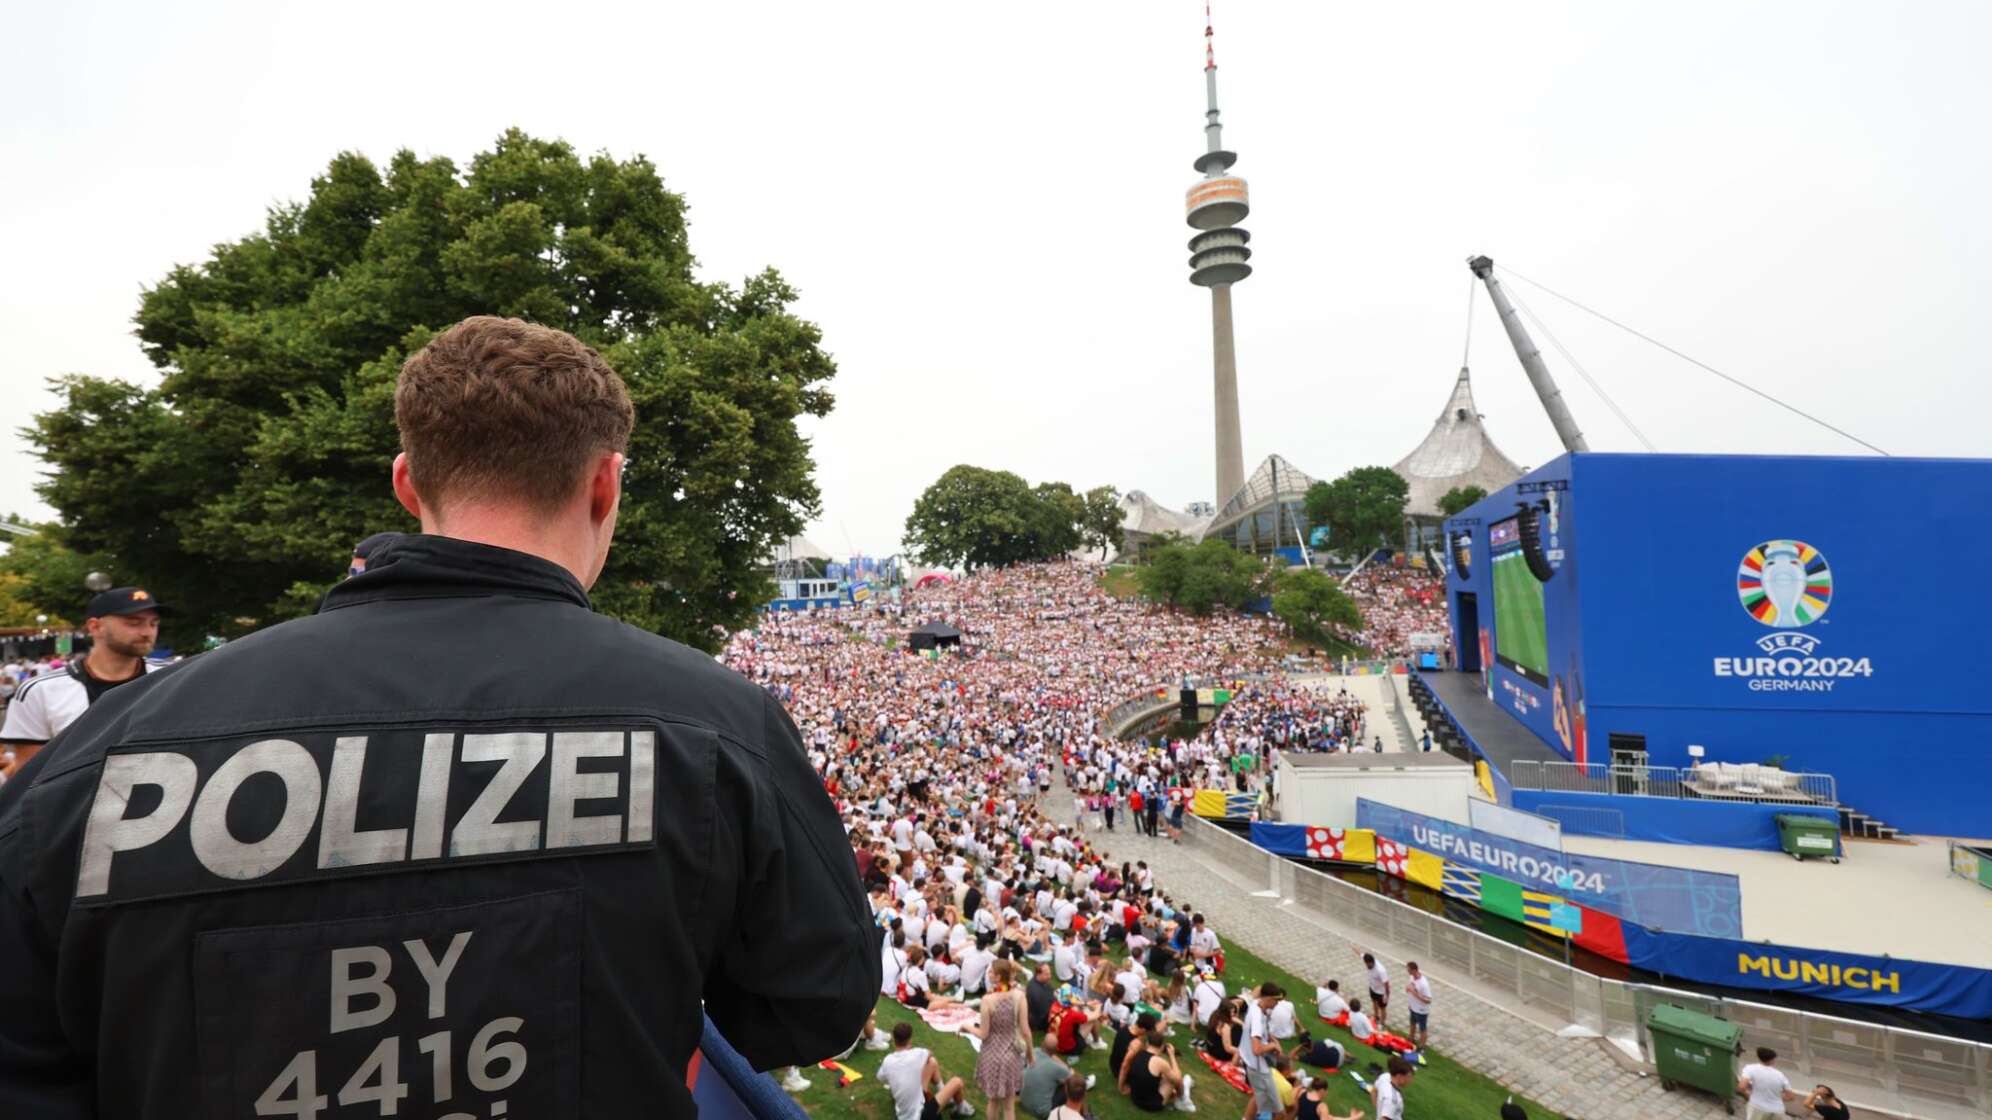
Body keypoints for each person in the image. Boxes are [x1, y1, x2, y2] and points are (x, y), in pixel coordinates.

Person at [0, 316, 880, 1117]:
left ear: (407, 485)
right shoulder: (717, 724)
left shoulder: (102, 757)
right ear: (606, 486)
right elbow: (807, 1006)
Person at [0, 586, 163, 774]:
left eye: (154, 623)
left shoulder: (173, 679)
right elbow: (28, 775)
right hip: (73, 801)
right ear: (95, 626)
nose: (147, 632)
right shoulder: (40, 691)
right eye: (134, 623)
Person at [880, 1021, 976, 1120]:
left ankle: (946, 1096)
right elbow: (929, 1053)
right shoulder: (917, 1054)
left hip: (903, 1114)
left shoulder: (888, 1060)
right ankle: (962, 1110)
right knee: (957, 1082)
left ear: (894, 1039)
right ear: (910, 1040)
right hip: (922, 1115)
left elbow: (882, 1077)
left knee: (932, 1063)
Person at [975, 958, 1033, 1120]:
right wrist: (1030, 1055)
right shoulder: (1020, 996)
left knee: (993, 1101)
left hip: (992, 1055)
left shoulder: (987, 1000)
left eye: (991, 972)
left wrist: (966, 1027)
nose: (988, 973)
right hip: (1011, 1056)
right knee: (1009, 1107)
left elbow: (983, 1034)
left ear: (999, 977)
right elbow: (1026, 1030)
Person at [1119, 1012, 1196, 1113]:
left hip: (1135, 1098)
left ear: (1148, 1043)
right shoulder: (1159, 1062)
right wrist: (1172, 1055)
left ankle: (1184, 1091)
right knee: (1174, 1079)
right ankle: (1182, 1100)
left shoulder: (1139, 1052)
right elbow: (1177, 1078)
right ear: (1162, 1046)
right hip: (1151, 1104)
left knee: (1164, 1076)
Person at [1241, 982, 1285, 1120]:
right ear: (1268, 998)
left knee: (1258, 1098)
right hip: (1259, 1068)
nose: (1277, 1004)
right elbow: (1257, 1049)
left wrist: (1273, 1040)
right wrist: (1273, 1047)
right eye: (1276, 1000)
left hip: (1252, 1064)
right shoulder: (1257, 1019)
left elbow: (1259, 988)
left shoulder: (1256, 1005)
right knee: (1279, 1112)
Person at [1020, 1029, 1078, 1118]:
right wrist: (1068, 1068)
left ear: (1042, 1043)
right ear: (1056, 1049)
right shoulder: (1056, 1068)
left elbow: (1052, 1056)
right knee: (1068, 1086)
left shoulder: (1033, 1052)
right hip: (1041, 1111)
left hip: (1024, 1102)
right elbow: (1073, 1078)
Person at [1739, 1047, 1798, 1120]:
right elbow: (1791, 1097)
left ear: (1759, 1057)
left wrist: (1749, 1094)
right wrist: (1775, 1099)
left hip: (1758, 1107)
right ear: (1773, 1060)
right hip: (1777, 1110)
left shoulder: (1750, 1068)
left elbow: (1742, 1086)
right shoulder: (1780, 1075)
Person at [1369, 1055, 1412, 1120]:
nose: (1410, 1080)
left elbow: (1373, 1091)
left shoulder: (1385, 1076)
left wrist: (1379, 1110)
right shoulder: (1393, 1099)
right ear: (1399, 1076)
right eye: (1408, 1077)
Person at [1403, 961, 1433, 1050]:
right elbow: (1411, 986)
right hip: (1413, 1007)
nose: (1408, 972)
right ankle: (1411, 1038)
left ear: (1415, 970)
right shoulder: (1412, 977)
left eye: (1409, 970)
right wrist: (1408, 990)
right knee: (1412, 1023)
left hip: (1421, 1010)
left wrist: (1414, 993)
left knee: (1422, 1029)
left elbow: (1429, 1000)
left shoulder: (1424, 984)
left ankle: (1422, 1045)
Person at [1363, 953, 1390, 1026]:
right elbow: (1360, 953)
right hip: (1372, 988)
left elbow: (1386, 983)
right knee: (1374, 1002)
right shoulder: (1367, 960)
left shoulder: (1381, 970)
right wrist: (1353, 947)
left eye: (1368, 964)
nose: (1366, 966)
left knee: (1382, 1008)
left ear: (1371, 962)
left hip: (1381, 992)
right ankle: (1376, 1016)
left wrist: (1387, 995)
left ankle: (1382, 1023)